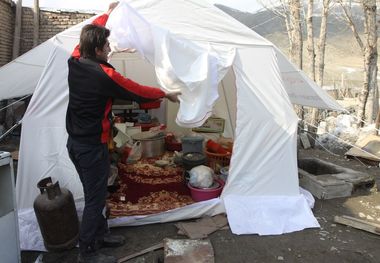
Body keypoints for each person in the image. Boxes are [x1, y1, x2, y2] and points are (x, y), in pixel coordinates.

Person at [65, 2, 180, 263]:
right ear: (96, 50)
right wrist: (165, 93)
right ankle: (88, 252)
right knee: (94, 200)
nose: (110, 49)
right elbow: (136, 90)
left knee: (98, 193)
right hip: (92, 146)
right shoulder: (104, 75)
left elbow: (92, 34)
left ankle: (101, 234)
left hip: (76, 144)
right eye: (106, 46)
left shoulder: (75, 60)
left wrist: (108, 13)